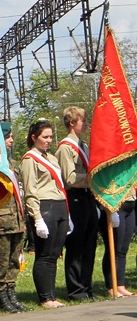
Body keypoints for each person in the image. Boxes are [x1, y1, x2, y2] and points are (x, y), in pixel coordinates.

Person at [20, 119, 68, 308]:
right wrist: (37, 218)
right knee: (44, 254)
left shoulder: (51, 158)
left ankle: (53, 295)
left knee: (55, 253)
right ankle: (45, 297)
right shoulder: (29, 160)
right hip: (44, 207)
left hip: (59, 205)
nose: (49, 140)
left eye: (50, 136)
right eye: (45, 137)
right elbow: (31, 191)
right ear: (34, 137)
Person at [57, 106, 98, 301]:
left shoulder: (84, 145)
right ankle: (75, 289)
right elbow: (70, 178)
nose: (87, 124)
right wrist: (93, 178)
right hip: (75, 197)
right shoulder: (66, 147)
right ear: (72, 123)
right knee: (76, 245)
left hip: (88, 196)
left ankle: (87, 286)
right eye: (83, 120)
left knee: (90, 244)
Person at [0, 122, 30, 313]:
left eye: (11, 136)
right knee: (0, 261)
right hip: (1, 218)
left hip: (17, 219)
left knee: (14, 259)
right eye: (7, 137)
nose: (11, 140)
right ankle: (1, 295)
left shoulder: (13, 164)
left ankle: (11, 292)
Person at [100, 187, 135, 296]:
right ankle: (111, 286)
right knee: (114, 248)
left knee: (123, 250)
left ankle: (120, 285)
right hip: (115, 204)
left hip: (130, 203)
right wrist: (111, 209)